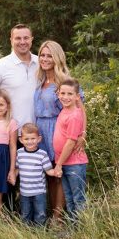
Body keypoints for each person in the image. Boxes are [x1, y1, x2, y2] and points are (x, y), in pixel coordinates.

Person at [34, 40, 86, 221]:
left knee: (59, 173)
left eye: (49, 55)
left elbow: (80, 108)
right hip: (41, 129)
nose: (45, 59)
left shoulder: (63, 81)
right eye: (42, 55)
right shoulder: (41, 79)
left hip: (58, 128)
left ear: (57, 58)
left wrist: (83, 134)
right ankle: (52, 212)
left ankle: (58, 218)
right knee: (48, 173)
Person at [52, 78, 88, 221]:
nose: (65, 97)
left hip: (74, 163)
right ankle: (74, 227)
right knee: (69, 197)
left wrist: (59, 164)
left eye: (70, 94)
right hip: (66, 163)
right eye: (62, 93)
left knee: (78, 198)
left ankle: (83, 228)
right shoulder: (64, 111)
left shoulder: (74, 115)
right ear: (58, 94)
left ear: (77, 97)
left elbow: (71, 142)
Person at [15, 123, 56, 226]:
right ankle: (26, 232)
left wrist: (56, 172)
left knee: (40, 213)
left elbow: (48, 171)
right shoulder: (19, 153)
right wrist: (12, 175)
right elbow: (17, 169)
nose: (30, 142)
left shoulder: (42, 154)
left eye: (33, 138)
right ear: (21, 140)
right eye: (27, 139)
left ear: (39, 139)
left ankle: (40, 232)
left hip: (39, 192)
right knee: (25, 213)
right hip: (24, 191)